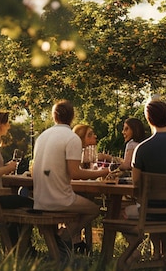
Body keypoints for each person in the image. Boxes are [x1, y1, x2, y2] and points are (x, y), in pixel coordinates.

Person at [32, 100, 110, 252]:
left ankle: (61, 243)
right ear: (72, 117)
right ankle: (64, 237)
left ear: (54, 117)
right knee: (94, 209)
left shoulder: (42, 136)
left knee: (84, 205)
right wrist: (102, 172)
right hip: (60, 200)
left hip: (39, 199)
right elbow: (75, 173)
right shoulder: (71, 138)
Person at [0, 110, 34, 246]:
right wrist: (8, 168)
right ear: (0, 125)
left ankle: (18, 246)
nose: (9, 126)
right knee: (31, 204)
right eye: (7, 123)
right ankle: (23, 247)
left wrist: (5, 169)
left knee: (21, 205)